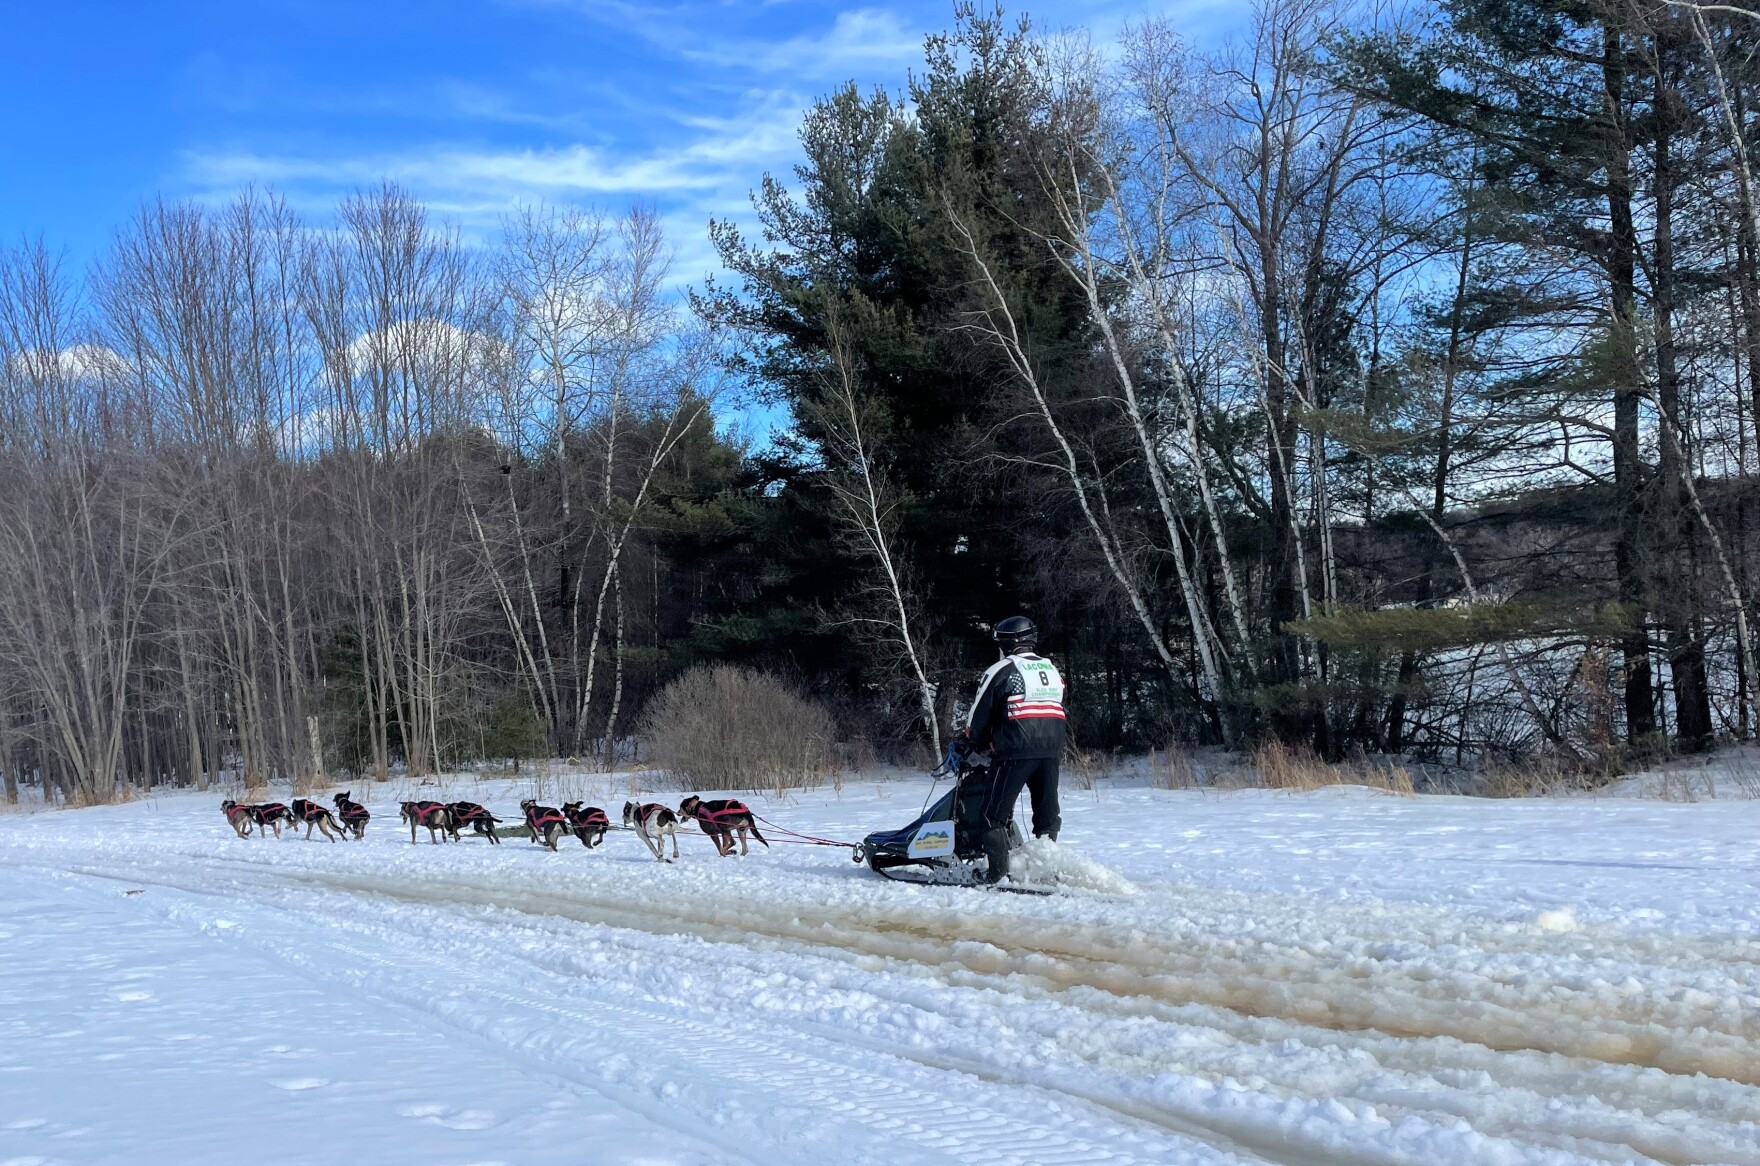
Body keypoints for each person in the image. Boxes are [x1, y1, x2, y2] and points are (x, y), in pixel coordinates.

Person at [958, 615, 1065, 883]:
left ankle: (996, 875)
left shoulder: (1003, 669)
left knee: (992, 815)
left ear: (1007, 643)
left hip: (1014, 750)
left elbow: (979, 716)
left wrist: (973, 743)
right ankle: (1046, 870)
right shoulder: (1052, 670)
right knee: (1047, 814)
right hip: (1052, 749)